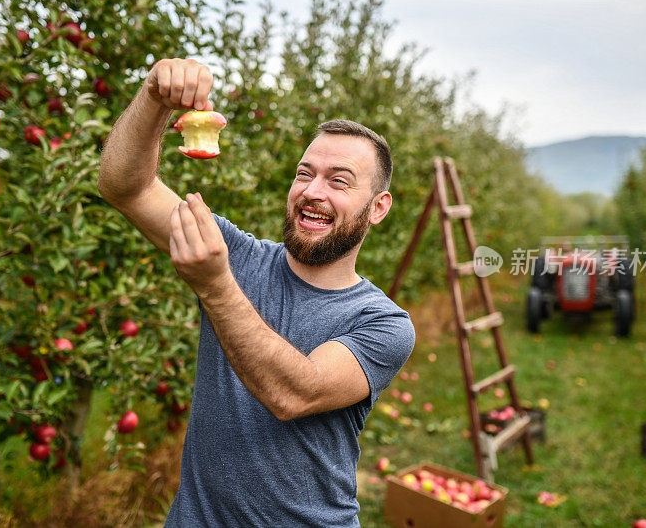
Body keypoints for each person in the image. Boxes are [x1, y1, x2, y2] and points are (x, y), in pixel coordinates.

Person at [98, 58, 415, 527]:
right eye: (305, 174)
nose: (313, 192)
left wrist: (215, 286)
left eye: (339, 181)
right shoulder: (237, 255)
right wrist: (153, 100)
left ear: (377, 208)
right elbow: (125, 186)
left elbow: (294, 394)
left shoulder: (383, 323)